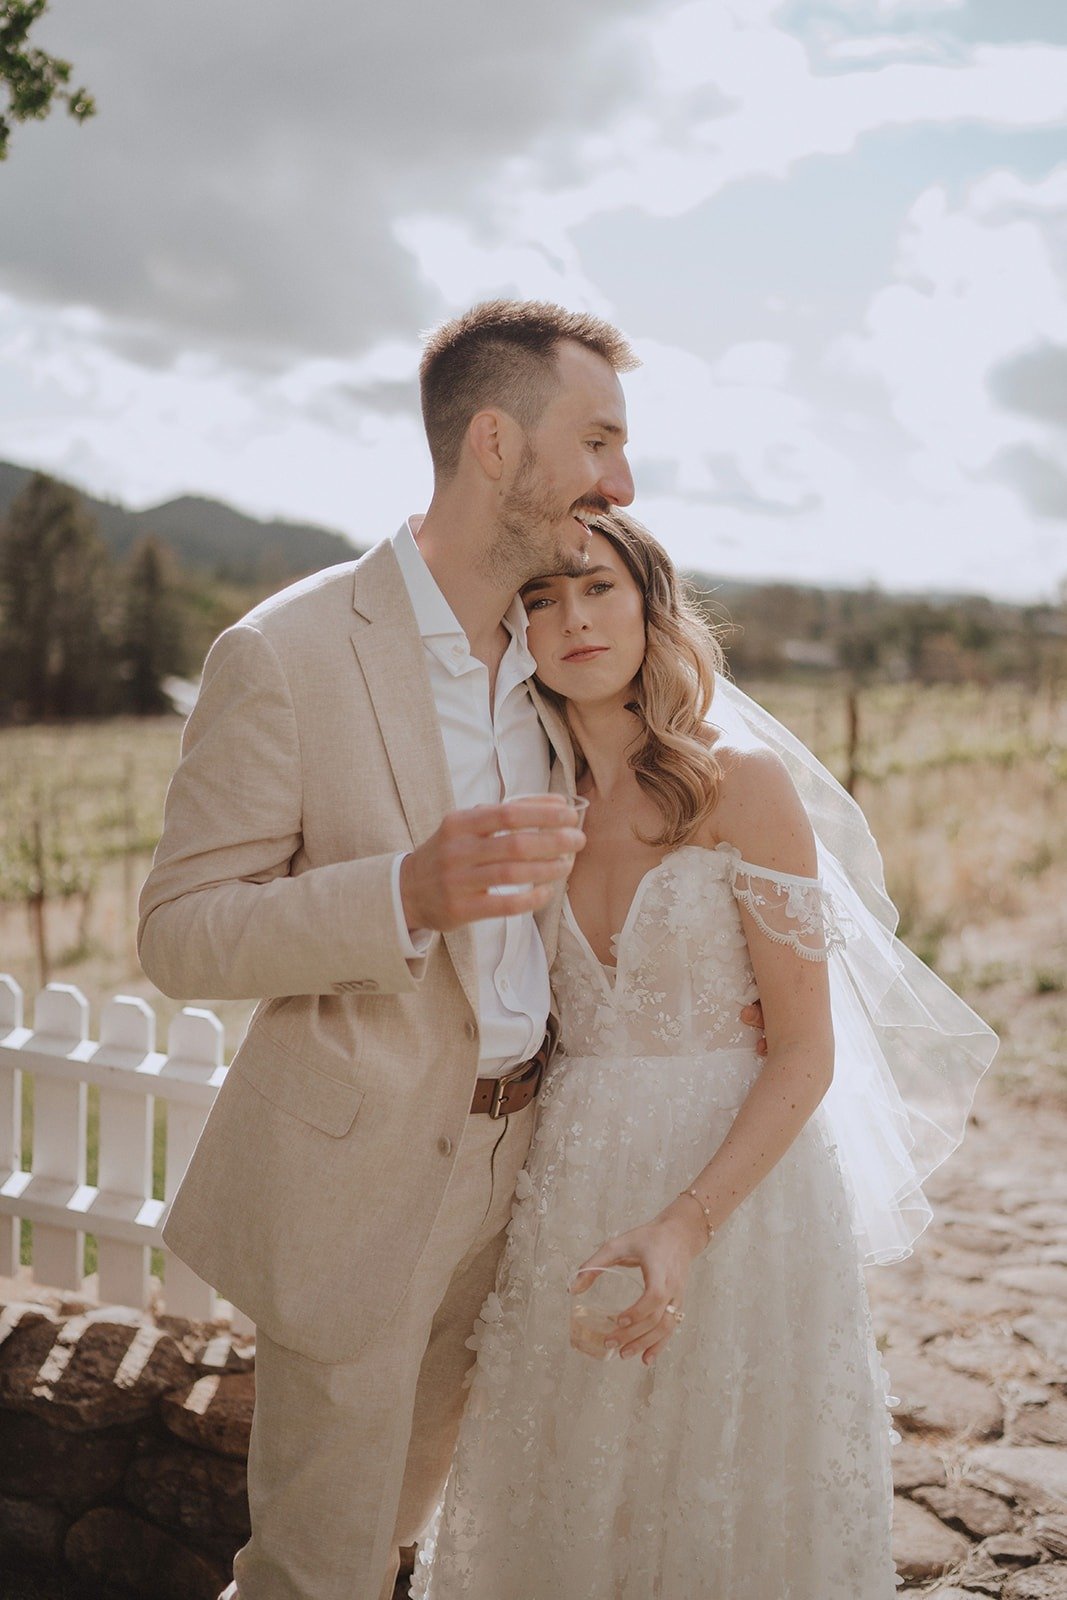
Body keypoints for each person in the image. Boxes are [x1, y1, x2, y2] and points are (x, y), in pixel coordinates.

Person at [138, 300, 643, 1600]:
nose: (620, 481)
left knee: (405, 1538)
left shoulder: (552, 657)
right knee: (315, 1569)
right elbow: (181, 935)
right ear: (494, 443)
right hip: (359, 1187)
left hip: (522, 1180)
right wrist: (404, 892)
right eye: (595, 440)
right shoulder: (286, 654)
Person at [411, 512, 998, 1600]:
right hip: (568, 1183)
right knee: (567, 1495)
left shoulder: (742, 784)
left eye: (595, 588)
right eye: (539, 599)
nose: (571, 618)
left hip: (735, 1199)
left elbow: (804, 1053)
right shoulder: (524, 798)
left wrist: (686, 1221)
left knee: (718, 1503)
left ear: (648, 605)